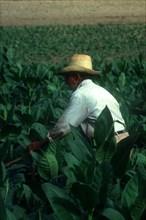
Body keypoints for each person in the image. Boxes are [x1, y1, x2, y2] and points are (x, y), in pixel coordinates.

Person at [29, 54, 129, 151]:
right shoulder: (102, 91)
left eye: (67, 76)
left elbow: (64, 127)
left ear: (76, 77)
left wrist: (42, 143)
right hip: (124, 141)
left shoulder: (81, 95)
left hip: (109, 145)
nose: (65, 80)